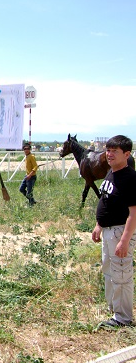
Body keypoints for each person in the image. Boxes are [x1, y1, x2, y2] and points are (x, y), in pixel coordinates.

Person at [92, 135, 136, 329]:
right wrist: (98, 224)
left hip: (120, 232)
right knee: (109, 271)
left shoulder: (130, 178)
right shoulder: (112, 173)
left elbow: (134, 214)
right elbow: (107, 201)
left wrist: (124, 240)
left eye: (114, 151)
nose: (109, 154)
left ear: (127, 154)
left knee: (121, 274)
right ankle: (114, 309)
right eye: (108, 150)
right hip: (108, 231)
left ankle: (123, 318)